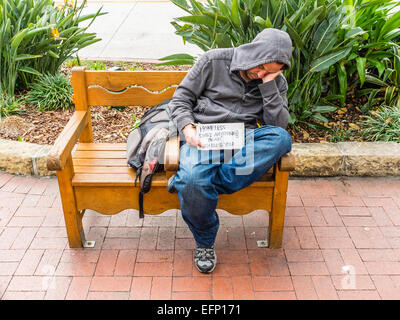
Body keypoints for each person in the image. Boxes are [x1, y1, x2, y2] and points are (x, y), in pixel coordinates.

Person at [167, 28, 293, 273]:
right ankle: (204, 242)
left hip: (242, 137)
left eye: (271, 72)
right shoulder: (214, 61)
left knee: (281, 138)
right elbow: (181, 98)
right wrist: (187, 126)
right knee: (194, 178)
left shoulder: (275, 80)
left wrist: (269, 84)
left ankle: (194, 183)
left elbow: (277, 124)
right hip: (205, 135)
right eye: (262, 67)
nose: (261, 74)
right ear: (254, 52)